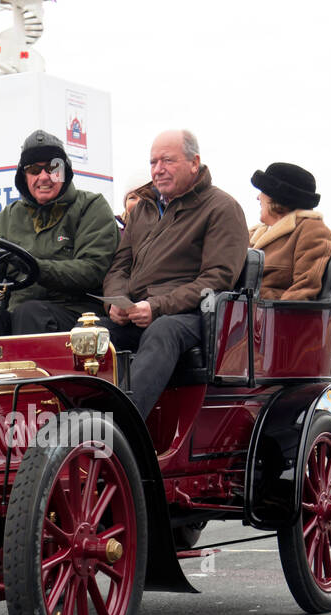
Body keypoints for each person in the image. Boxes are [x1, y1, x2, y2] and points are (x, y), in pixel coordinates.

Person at [101, 129, 248, 418]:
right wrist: (114, 302)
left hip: (195, 317)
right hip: (139, 312)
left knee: (163, 330)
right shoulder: (143, 209)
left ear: (195, 162)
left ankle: (123, 426)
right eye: (153, 162)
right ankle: (72, 417)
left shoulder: (222, 208)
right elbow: (120, 265)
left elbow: (217, 279)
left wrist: (156, 307)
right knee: (92, 335)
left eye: (167, 161)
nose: (158, 170)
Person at [0, 129, 118, 338]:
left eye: (52, 168)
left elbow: (92, 269)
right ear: (24, 176)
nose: (44, 177)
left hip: (76, 314)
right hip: (20, 313)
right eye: (34, 170)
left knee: (30, 312)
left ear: (64, 171)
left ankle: (34, 372)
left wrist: (38, 269)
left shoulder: (90, 207)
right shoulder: (7, 218)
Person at [247, 162, 331, 300]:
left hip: (270, 318)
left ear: (276, 198)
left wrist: (257, 306)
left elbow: (302, 292)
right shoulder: (254, 234)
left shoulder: (312, 231)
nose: (258, 197)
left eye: (263, 192)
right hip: (241, 315)